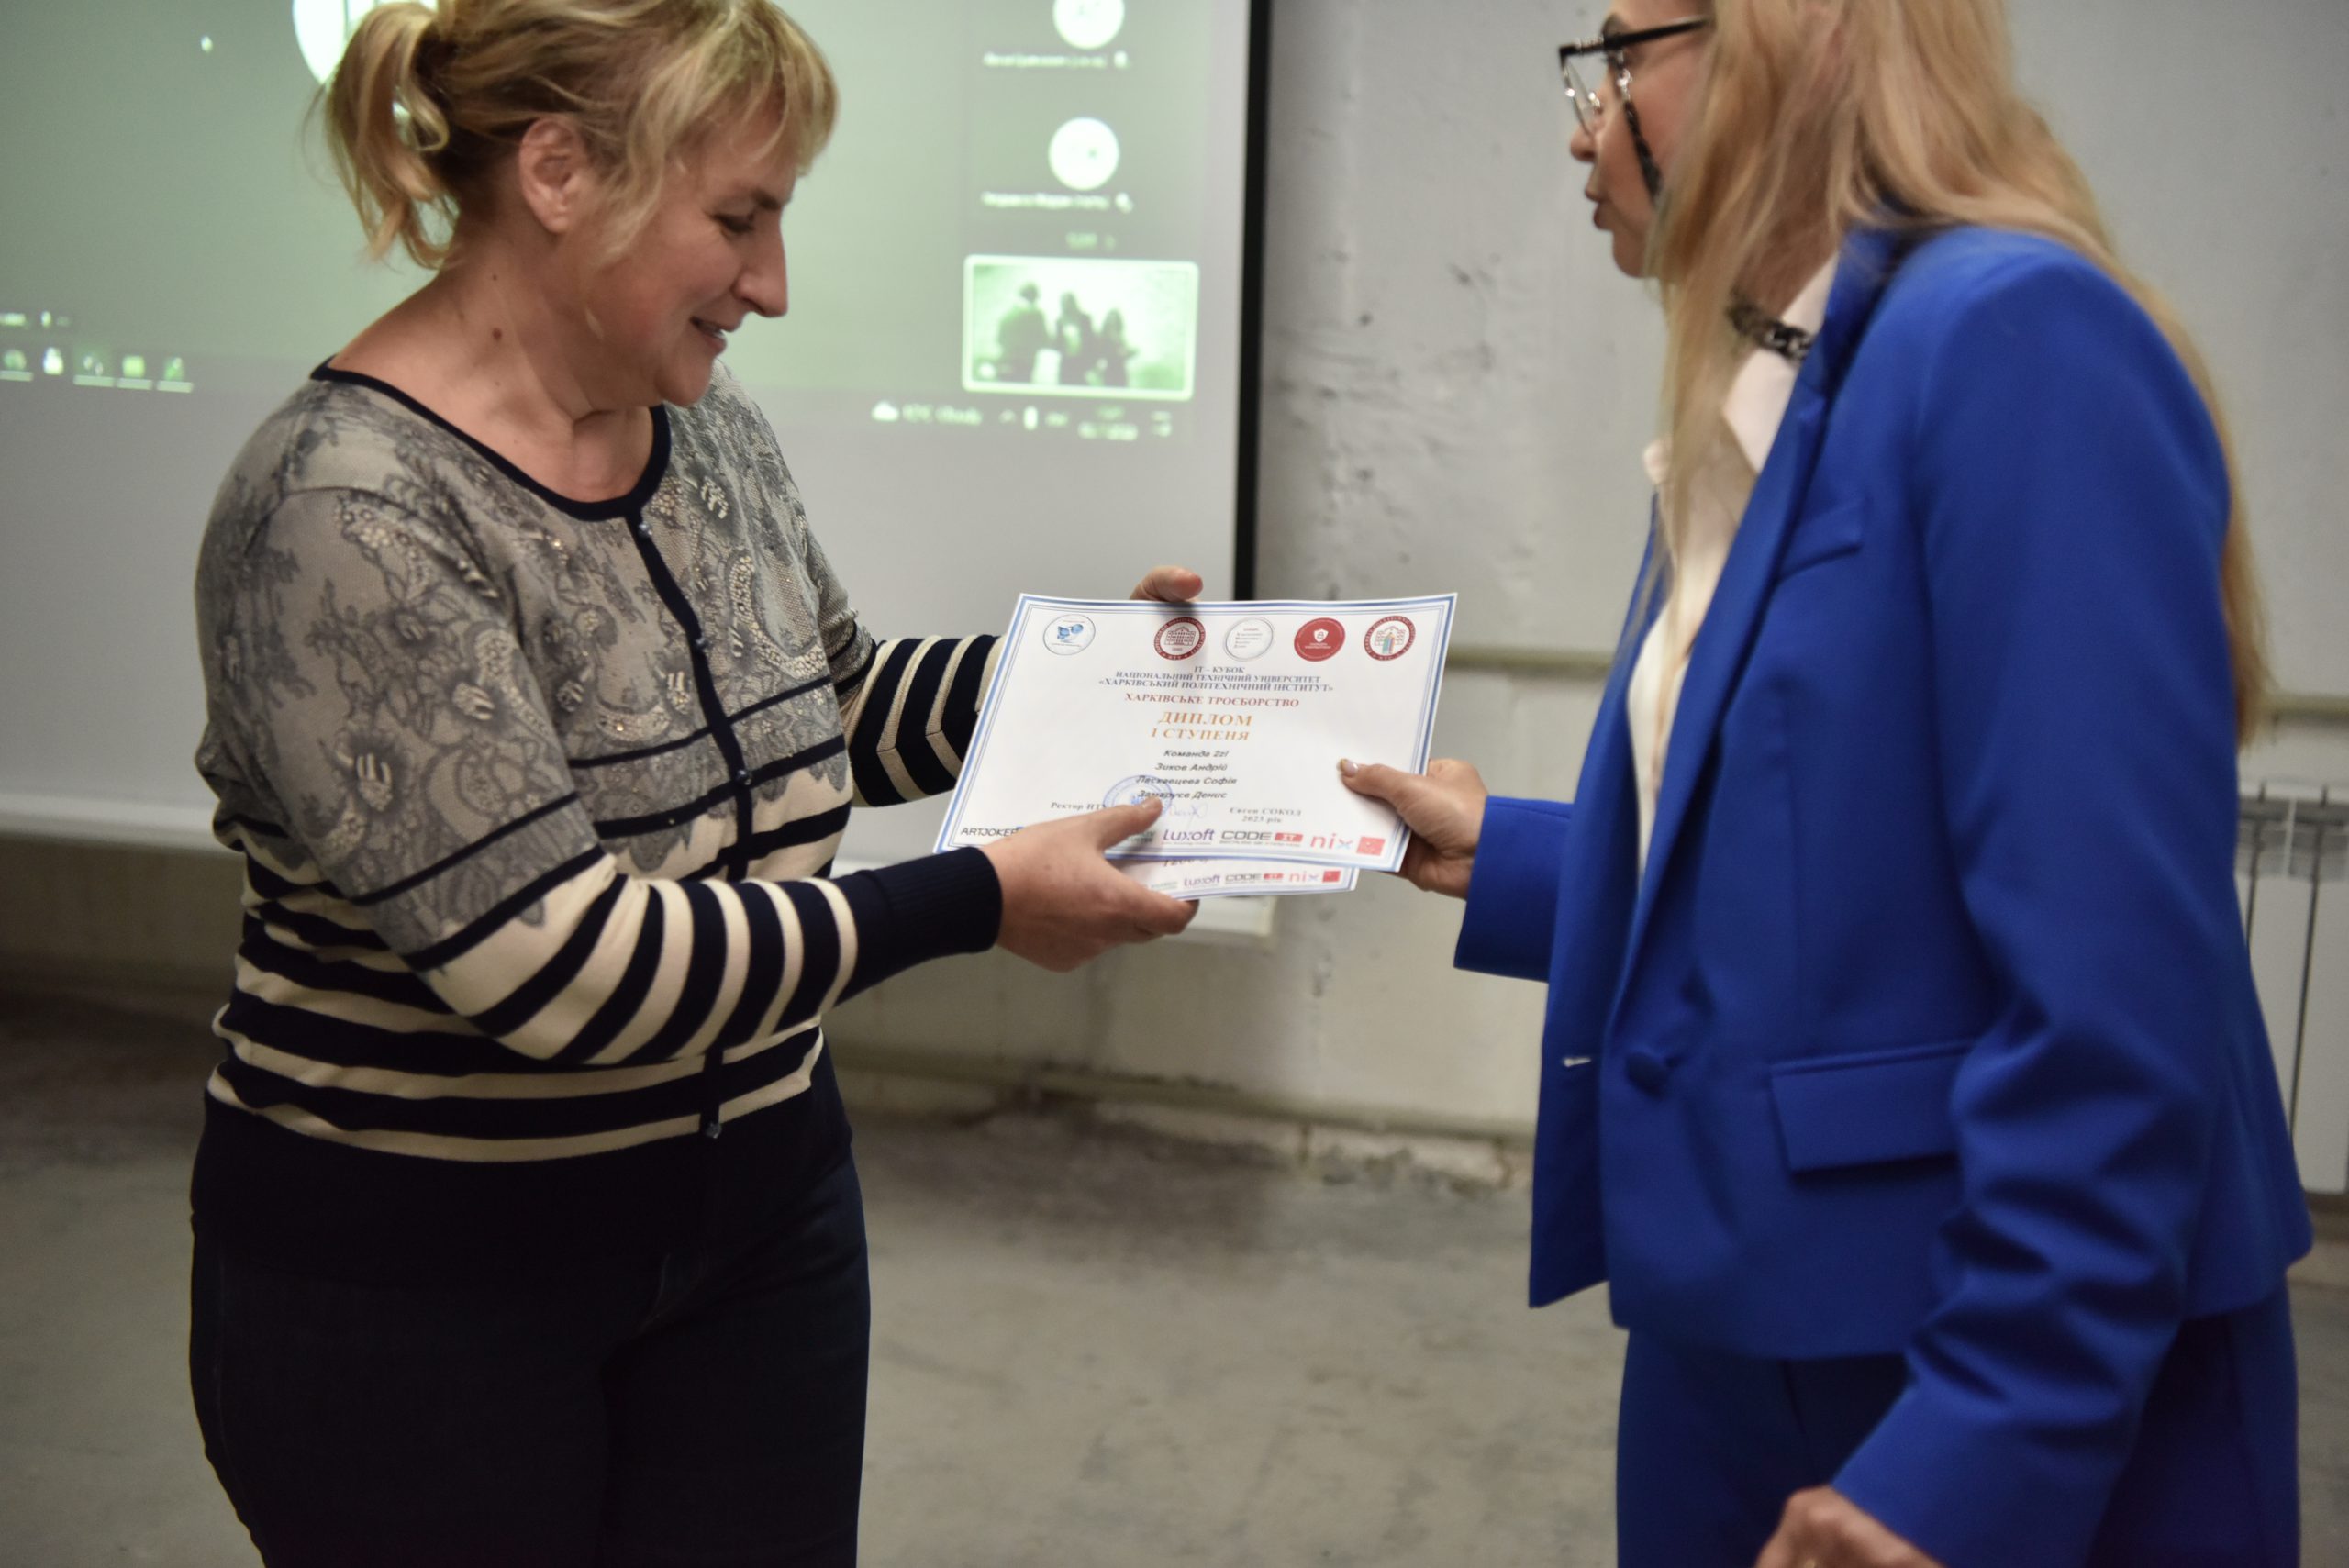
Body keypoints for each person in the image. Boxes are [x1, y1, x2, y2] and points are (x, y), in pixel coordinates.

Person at [186, 3, 1199, 1563]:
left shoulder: (703, 430)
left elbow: (833, 709)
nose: (772, 284)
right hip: (420, 1293)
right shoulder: (342, 508)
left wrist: (1091, 682)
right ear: (560, 173)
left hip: (764, 1229)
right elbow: (562, 966)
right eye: (738, 219)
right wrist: (981, 899)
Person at [1341, 4, 2310, 1566]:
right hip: (1741, 1329)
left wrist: (1971, 1455)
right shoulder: (1770, 380)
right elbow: (1824, 860)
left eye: (1619, 62)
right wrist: (1503, 854)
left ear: (1782, 42)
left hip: (1972, 1366)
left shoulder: (2012, 339)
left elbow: (2117, 998)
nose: (1584, 127)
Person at [995, 280, 1049, 383]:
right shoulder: (1036, 315)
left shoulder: (1008, 314)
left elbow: (1000, 339)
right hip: (1025, 364)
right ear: (1035, 298)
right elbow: (1044, 339)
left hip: (1005, 361)